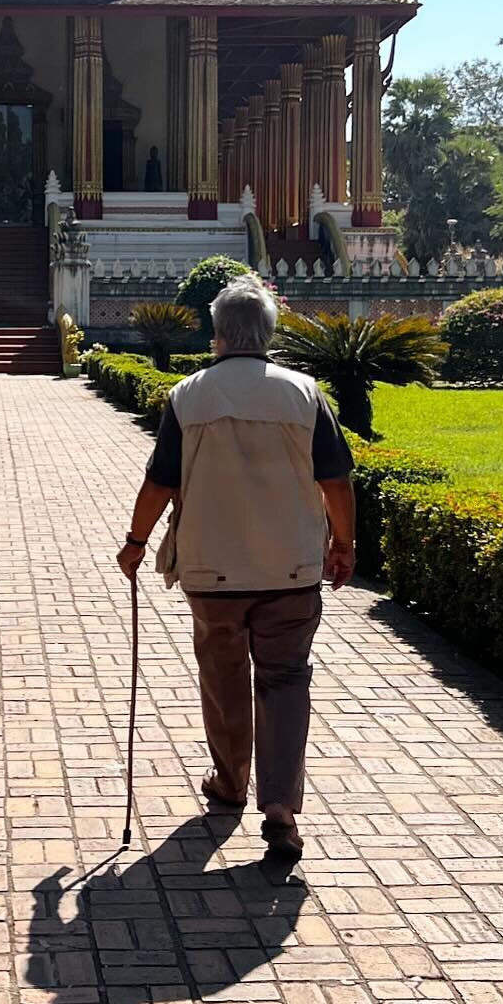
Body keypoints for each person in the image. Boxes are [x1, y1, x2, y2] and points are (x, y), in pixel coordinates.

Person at [117, 276, 355, 863]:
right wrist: (343, 544)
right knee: (286, 680)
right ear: (269, 333)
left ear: (218, 334)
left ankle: (229, 782)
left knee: (223, 678)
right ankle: (279, 805)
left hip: (212, 566)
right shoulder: (305, 394)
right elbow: (335, 481)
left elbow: (161, 481)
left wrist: (136, 540)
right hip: (291, 566)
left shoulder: (189, 395)